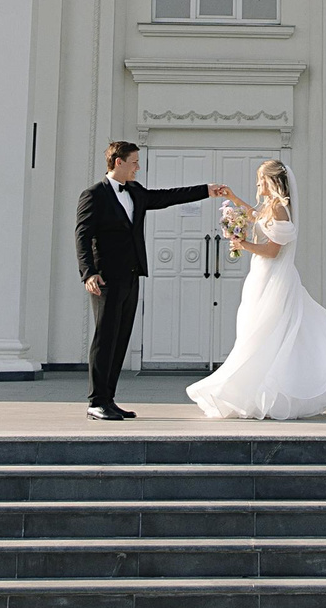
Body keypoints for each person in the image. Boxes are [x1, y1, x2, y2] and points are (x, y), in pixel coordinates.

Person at [187, 158, 326, 421]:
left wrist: (242, 244)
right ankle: (254, 393)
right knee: (254, 332)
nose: (257, 184)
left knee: (264, 334)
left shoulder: (281, 209)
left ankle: (261, 394)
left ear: (270, 181)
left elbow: (272, 251)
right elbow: (256, 217)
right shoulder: (271, 206)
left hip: (274, 280)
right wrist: (234, 199)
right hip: (260, 277)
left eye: (260, 179)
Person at [74, 140, 234, 421]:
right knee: (105, 338)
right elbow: (82, 236)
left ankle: (108, 400)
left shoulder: (135, 191)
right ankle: (95, 402)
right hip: (105, 279)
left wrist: (205, 190)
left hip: (131, 274)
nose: (138, 167)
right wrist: (89, 273)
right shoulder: (94, 195)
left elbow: (165, 197)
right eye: (134, 162)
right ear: (119, 162)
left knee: (120, 339)